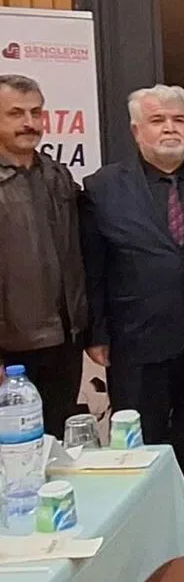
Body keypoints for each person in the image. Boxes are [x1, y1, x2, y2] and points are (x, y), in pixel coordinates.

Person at [81, 84, 184, 533]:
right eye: (158, 120)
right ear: (136, 130)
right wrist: (97, 332)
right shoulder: (102, 187)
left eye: (179, 120)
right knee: (141, 428)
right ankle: (146, 515)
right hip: (135, 334)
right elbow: (93, 266)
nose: (170, 128)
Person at [0, 74, 88, 431]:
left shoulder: (57, 174)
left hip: (65, 340)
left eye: (36, 112)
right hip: (11, 349)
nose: (29, 123)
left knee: (56, 441)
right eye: (16, 113)